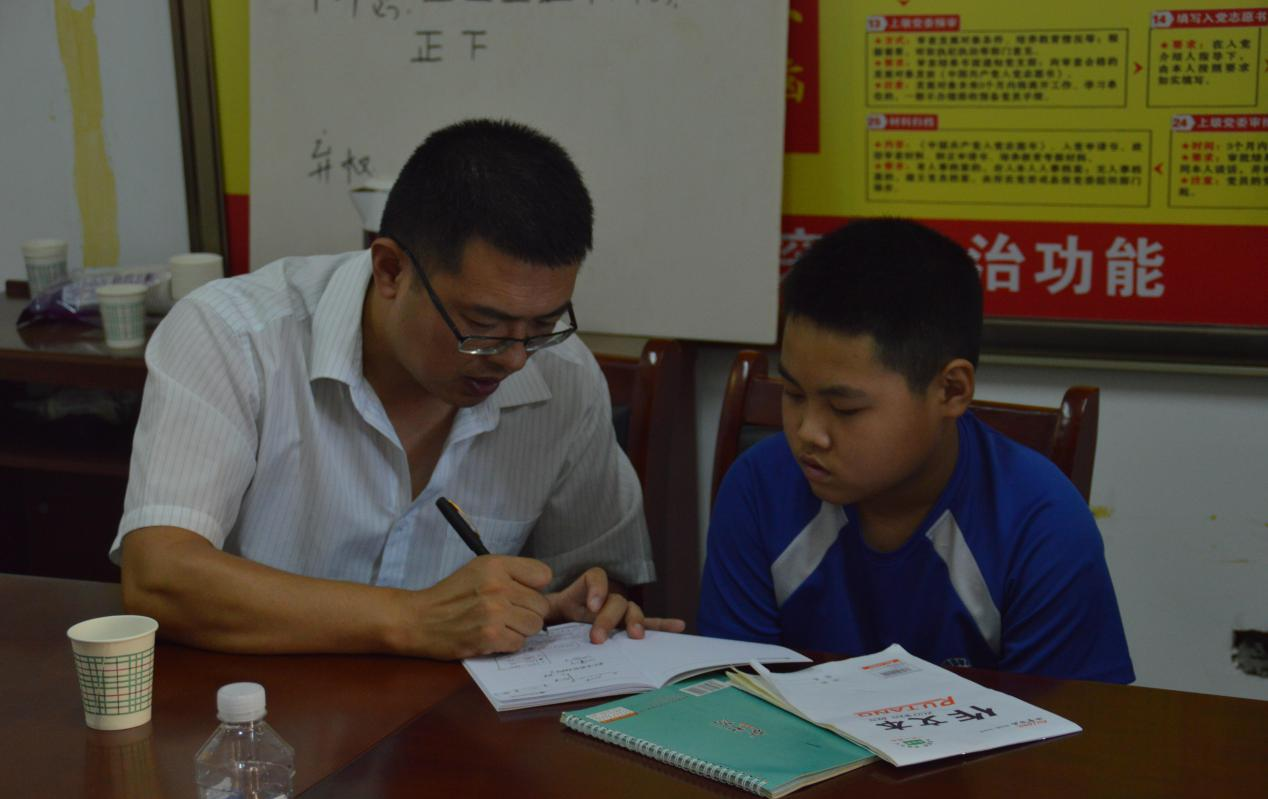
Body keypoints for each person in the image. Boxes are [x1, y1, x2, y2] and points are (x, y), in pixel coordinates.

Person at [114, 118, 683, 659]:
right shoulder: (234, 337)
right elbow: (159, 578)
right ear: (390, 270)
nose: (514, 359)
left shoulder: (563, 374)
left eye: (543, 324)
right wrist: (412, 619)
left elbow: (598, 577)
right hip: (254, 710)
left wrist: (582, 605)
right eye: (482, 326)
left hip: (460, 718)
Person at [697, 218, 1134, 683]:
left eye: (844, 408)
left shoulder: (1041, 526)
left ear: (951, 390)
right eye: (793, 394)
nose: (808, 433)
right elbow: (734, 692)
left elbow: (1068, 720)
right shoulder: (758, 490)